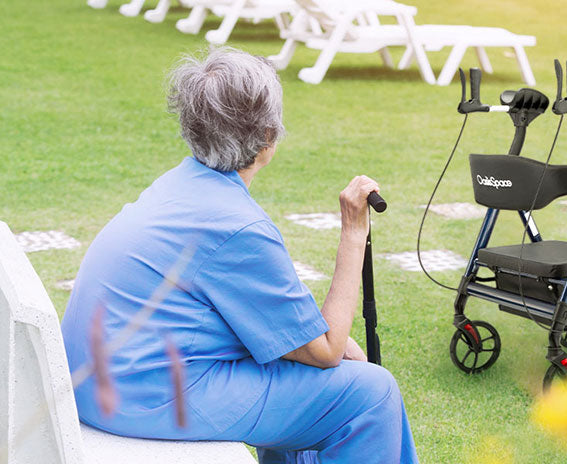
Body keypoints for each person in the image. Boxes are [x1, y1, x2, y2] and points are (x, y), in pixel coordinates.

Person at [61, 47, 419, 464]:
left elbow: (285, 328)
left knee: (299, 372)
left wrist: (322, 343)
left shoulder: (179, 184)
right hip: (144, 398)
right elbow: (325, 352)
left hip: (106, 384)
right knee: (372, 395)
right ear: (268, 137)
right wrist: (354, 232)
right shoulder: (237, 225)